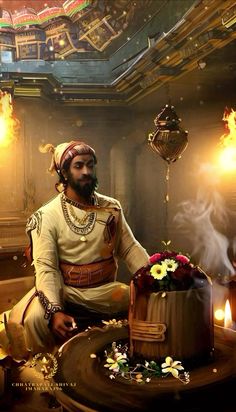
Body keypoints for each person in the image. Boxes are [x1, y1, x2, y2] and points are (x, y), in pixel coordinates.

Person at [8, 140, 149, 354]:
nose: (86, 172)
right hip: (65, 291)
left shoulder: (111, 207)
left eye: (90, 165)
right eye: (78, 166)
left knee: (143, 302)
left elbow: (129, 248)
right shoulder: (46, 216)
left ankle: (131, 362)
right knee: (37, 319)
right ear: (64, 173)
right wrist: (55, 311)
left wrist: (154, 278)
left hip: (104, 291)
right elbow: (47, 269)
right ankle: (46, 377)